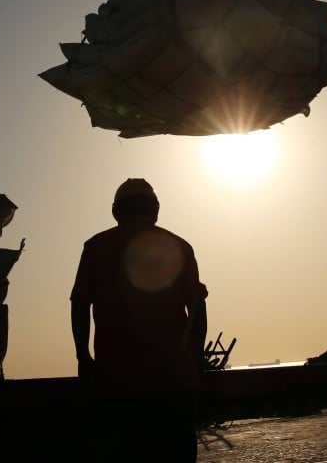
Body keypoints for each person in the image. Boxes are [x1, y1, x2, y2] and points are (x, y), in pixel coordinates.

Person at [70, 178, 209, 463]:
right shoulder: (180, 247)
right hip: (175, 383)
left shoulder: (96, 248)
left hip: (117, 384)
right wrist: (196, 357)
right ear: (156, 209)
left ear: (115, 211)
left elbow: (80, 305)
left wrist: (83, 357)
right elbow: (196, 307)